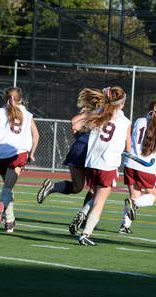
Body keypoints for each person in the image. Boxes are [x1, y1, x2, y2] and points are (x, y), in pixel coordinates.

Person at [36, 89, 101, 234]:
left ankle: (52, 187)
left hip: (77, 148)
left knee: (78, 187)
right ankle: (85, 219)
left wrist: (79, 133)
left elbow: (74, 123)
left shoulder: (87, 114)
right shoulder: (102, 114)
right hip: (90, 152)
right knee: (94, 188)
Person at [74, 86, 131, 246]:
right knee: (100, 202)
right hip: (108, 165)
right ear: (122, 103)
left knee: (96, 194)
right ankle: (85, 233)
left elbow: (78, 126)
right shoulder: (125, 121)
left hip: (92, 163)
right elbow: (128, 147)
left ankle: (83, 212)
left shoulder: (98, 113)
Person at [0, 87, 39, 232]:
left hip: (0, 154)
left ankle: (9, 221)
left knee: (8, 187)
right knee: (8, 188)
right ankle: (1, 205)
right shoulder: (27, 114)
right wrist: (31, 153)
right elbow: (36, 136)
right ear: (21, 99)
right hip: (18, 153)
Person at [119, 100, 156, 234]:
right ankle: (134, 205)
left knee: (134, 194)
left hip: (130, 163)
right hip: (146, 166)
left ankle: (125, 225)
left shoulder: (139, 120)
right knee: (154, 194)